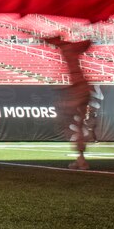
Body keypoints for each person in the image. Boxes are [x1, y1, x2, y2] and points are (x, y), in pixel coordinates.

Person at [47, 36, 94, 170]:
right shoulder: (72, 48)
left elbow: (50, 40)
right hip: (81, 86)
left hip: (79, 88)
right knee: (78, 124)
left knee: (67, 116)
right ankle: (81, 159)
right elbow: (88, 43)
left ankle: (82, 156)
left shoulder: (67, 48)